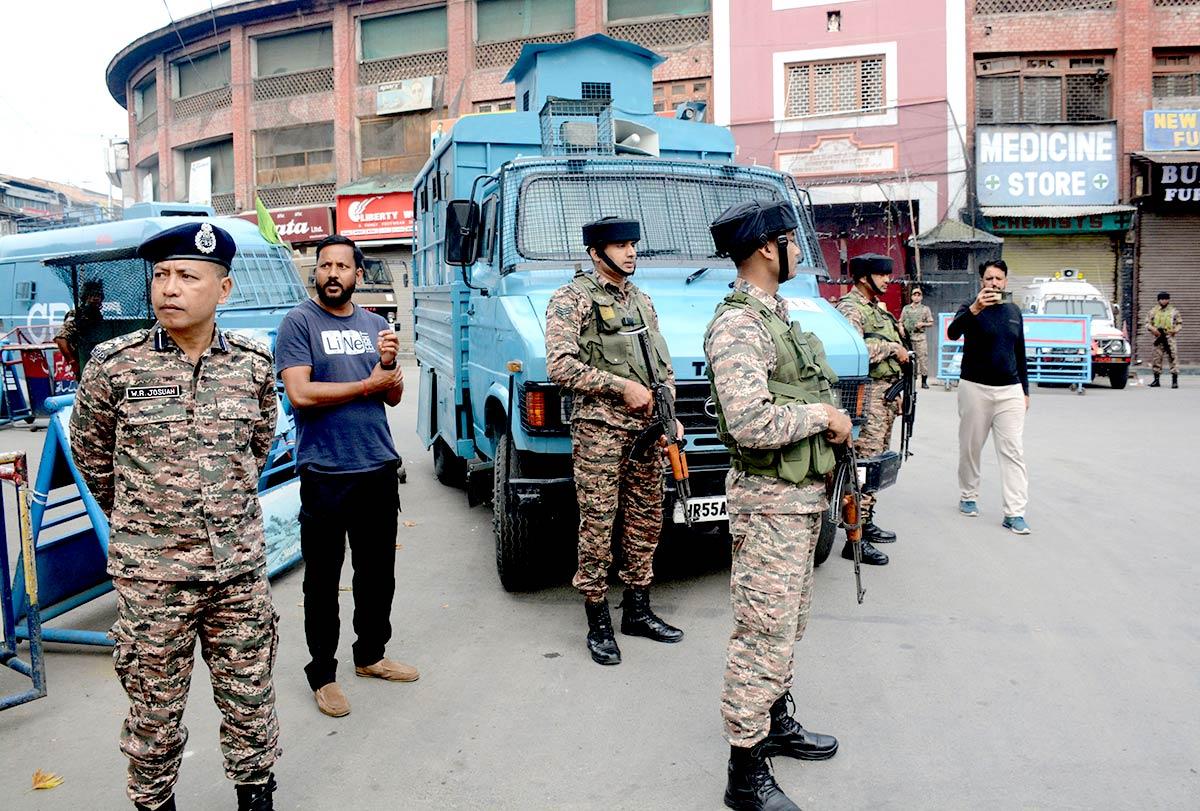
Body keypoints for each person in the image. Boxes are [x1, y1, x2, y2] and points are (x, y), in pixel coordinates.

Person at [70, 221, 280, 811]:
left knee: (250, 695)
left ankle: (256, 796)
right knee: (154, 709)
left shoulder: (252, 365)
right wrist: (144, 524)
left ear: (224, 289)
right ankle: (154, 803)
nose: (169, 288)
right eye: (161, 275)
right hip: (153, 578)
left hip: (236, 570)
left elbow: (256, 447)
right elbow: (92, 454)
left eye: (188, 276)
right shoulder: (116, 365)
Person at [704, 199, 853, 811]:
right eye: (792, 240)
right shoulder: (739, 324)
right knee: (761, 634)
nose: (798, 250)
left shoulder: (778, 315)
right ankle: (744, 773)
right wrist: (824, 415)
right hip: (768, 505)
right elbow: (748, 422)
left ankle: (775, 722)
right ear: (768, 247)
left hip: (796, 502)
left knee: (786, 628)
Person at [275, 234, 414, 718]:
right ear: (316, 272)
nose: (333, 273)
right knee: (323, 580)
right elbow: (300, 394)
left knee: (378, 574)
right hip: (325, 470)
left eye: (343, 266)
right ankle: (324, 674)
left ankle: (371, 655)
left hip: (377, 465)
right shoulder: (299, 322)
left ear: (358, 274)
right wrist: (366, 383)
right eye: (325, 265)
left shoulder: (375, 324)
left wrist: (390, 366)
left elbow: (391, 397)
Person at [545, 216, 684, 667]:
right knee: (598, 526)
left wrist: (670, 417)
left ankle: (638, 611)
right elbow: (559, 367)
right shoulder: (572, 299)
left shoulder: (643, 301)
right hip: (600, 432)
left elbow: (662, 368)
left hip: (647, 434)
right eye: (619, 245)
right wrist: (619, 387)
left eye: (632, 245)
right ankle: (597, 619)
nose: (629, 252)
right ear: (595, 252)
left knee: (646, 521)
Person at [947, 259, 1031, 534]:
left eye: (998, 278)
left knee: (1013, 451)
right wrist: (975, 308)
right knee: (971, 447)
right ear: (981, 281)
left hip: (1010, 391)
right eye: (989, 278)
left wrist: (1025, 391)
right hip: (975, 388)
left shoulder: (1013, 311)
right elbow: (953, 332)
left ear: (1006, 281)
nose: (994, 283)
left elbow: (1020, 353)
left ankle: (1015, 512)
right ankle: (968, 496)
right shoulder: (969, 308)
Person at [834, 254, 904, 562]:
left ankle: (867, 521)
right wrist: (893, 349)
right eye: (881, 274)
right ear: (864, 277)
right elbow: (856, 349)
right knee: (863, 466)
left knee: (877, 466)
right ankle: (854, 540)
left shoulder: (876, 309)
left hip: (885, 396)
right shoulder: (850, 308)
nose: (888, 280)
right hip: (870, 397)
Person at [54, 278, 105, 377]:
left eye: (98, 295)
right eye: (92, 295)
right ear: (85, 297)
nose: (95, 298)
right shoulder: (77, 315)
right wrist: (73, 363)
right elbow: (60, 339)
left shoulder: (97, 315)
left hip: (98, 363)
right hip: (84, 362)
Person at [901, 285, 934, 389]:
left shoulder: (925, 309)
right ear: (911, 297)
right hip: (909, 338)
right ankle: (911, 380)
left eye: (918, 295)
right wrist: (901, 328)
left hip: (920, 338)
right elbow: (900, 321)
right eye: (914, 295)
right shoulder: (906, 309)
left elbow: (931, 322)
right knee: (909, 360)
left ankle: (924, 381)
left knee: (922, 359)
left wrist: (922, 324)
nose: (916, 297)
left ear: (921, 297)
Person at [1146, 291, 1181, 389]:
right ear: (1158, 300)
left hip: (1169, 337)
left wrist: (1174, 330)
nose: (1164, 301)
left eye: (1166, 299)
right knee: (1156, 358)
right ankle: (1156, 380)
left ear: (1169, 300)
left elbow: (1179, 323)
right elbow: (1147, 323)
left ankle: (1174, 381)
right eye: (1162, 299)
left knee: (1173, 357)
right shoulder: (1153, 311)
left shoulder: (1174, 311)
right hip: (1158, 337)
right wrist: (1154, 330)